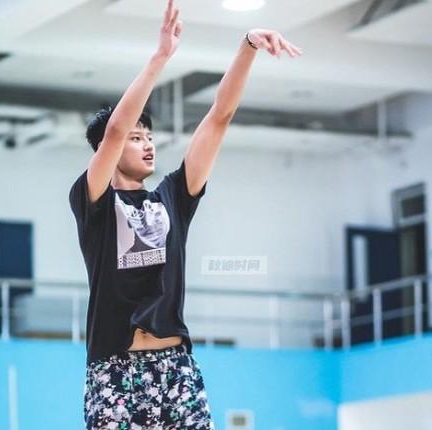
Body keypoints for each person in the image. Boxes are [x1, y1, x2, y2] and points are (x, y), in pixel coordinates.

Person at [69, 1, 302, 428]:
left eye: (149, 136)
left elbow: (218, 118)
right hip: (115, 372)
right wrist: (161, 57)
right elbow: (114, 130)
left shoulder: (173, 197)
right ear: (107, 150)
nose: (147, 144)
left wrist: (248, 46)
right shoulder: (94, 200)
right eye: (137, 137)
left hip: (176, 369)